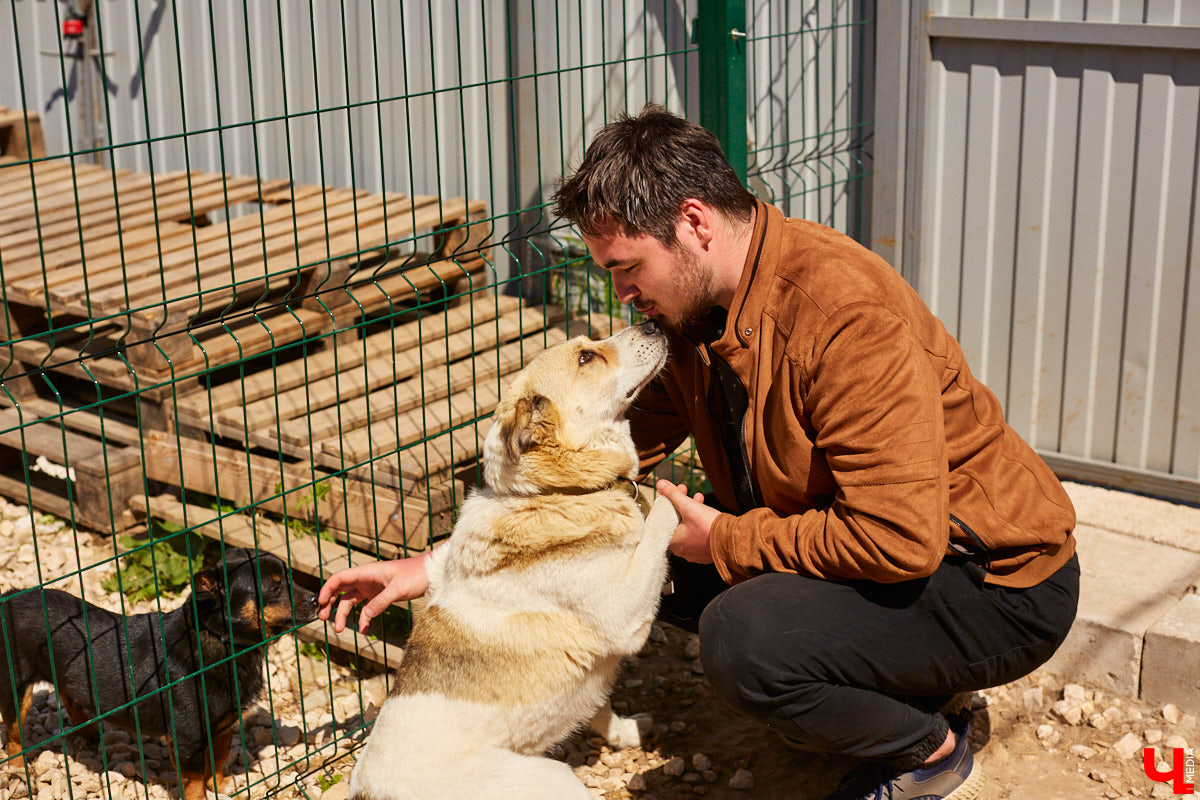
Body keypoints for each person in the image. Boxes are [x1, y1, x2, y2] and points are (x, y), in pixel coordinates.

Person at [318, 105, 1080, 800]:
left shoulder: (845, 317)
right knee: (637, 543)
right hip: (895, 554)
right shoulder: (697, 313)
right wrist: (443, 565)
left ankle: (927, 748)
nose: (621, 294)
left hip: (993, 582)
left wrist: (728, 539)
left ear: (693, 222)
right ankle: (892, 689)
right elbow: (582, 467)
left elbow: (900, 538)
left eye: (626, 267)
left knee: (745, 635)